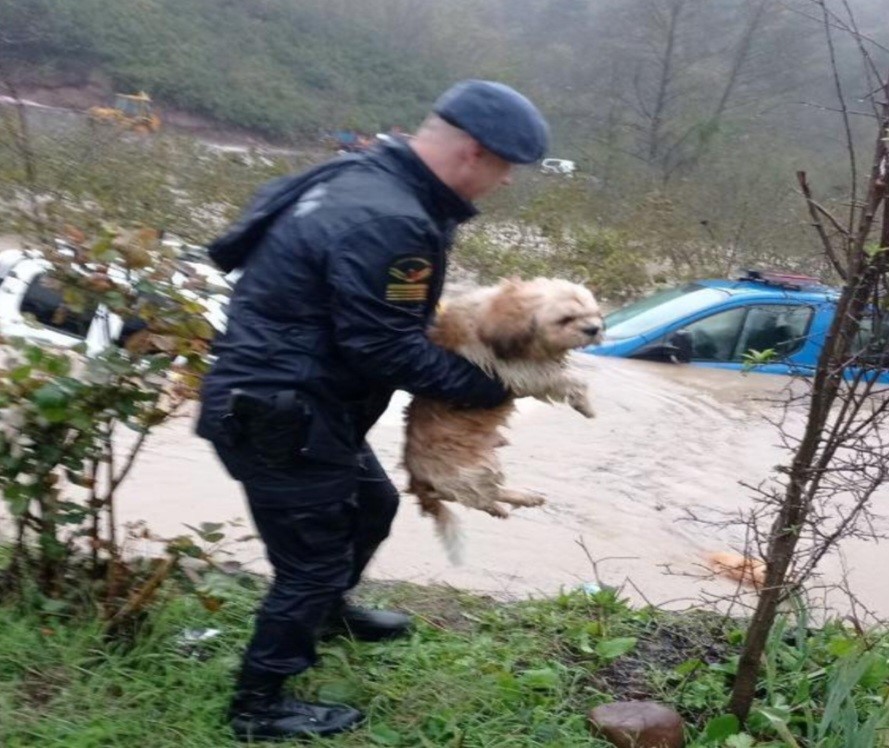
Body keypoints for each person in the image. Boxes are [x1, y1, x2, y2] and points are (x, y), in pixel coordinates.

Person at [196, 79, 550, 742]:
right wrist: (492, 386)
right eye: (505, 168)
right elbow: (380, 349)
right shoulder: (392, 218)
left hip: (293, 399)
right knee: (312, 563)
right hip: (283, 412)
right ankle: (258, 703)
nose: (504, 183)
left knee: (372, 506)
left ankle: (327, 614)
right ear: (473, 153)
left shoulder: (359, 172)